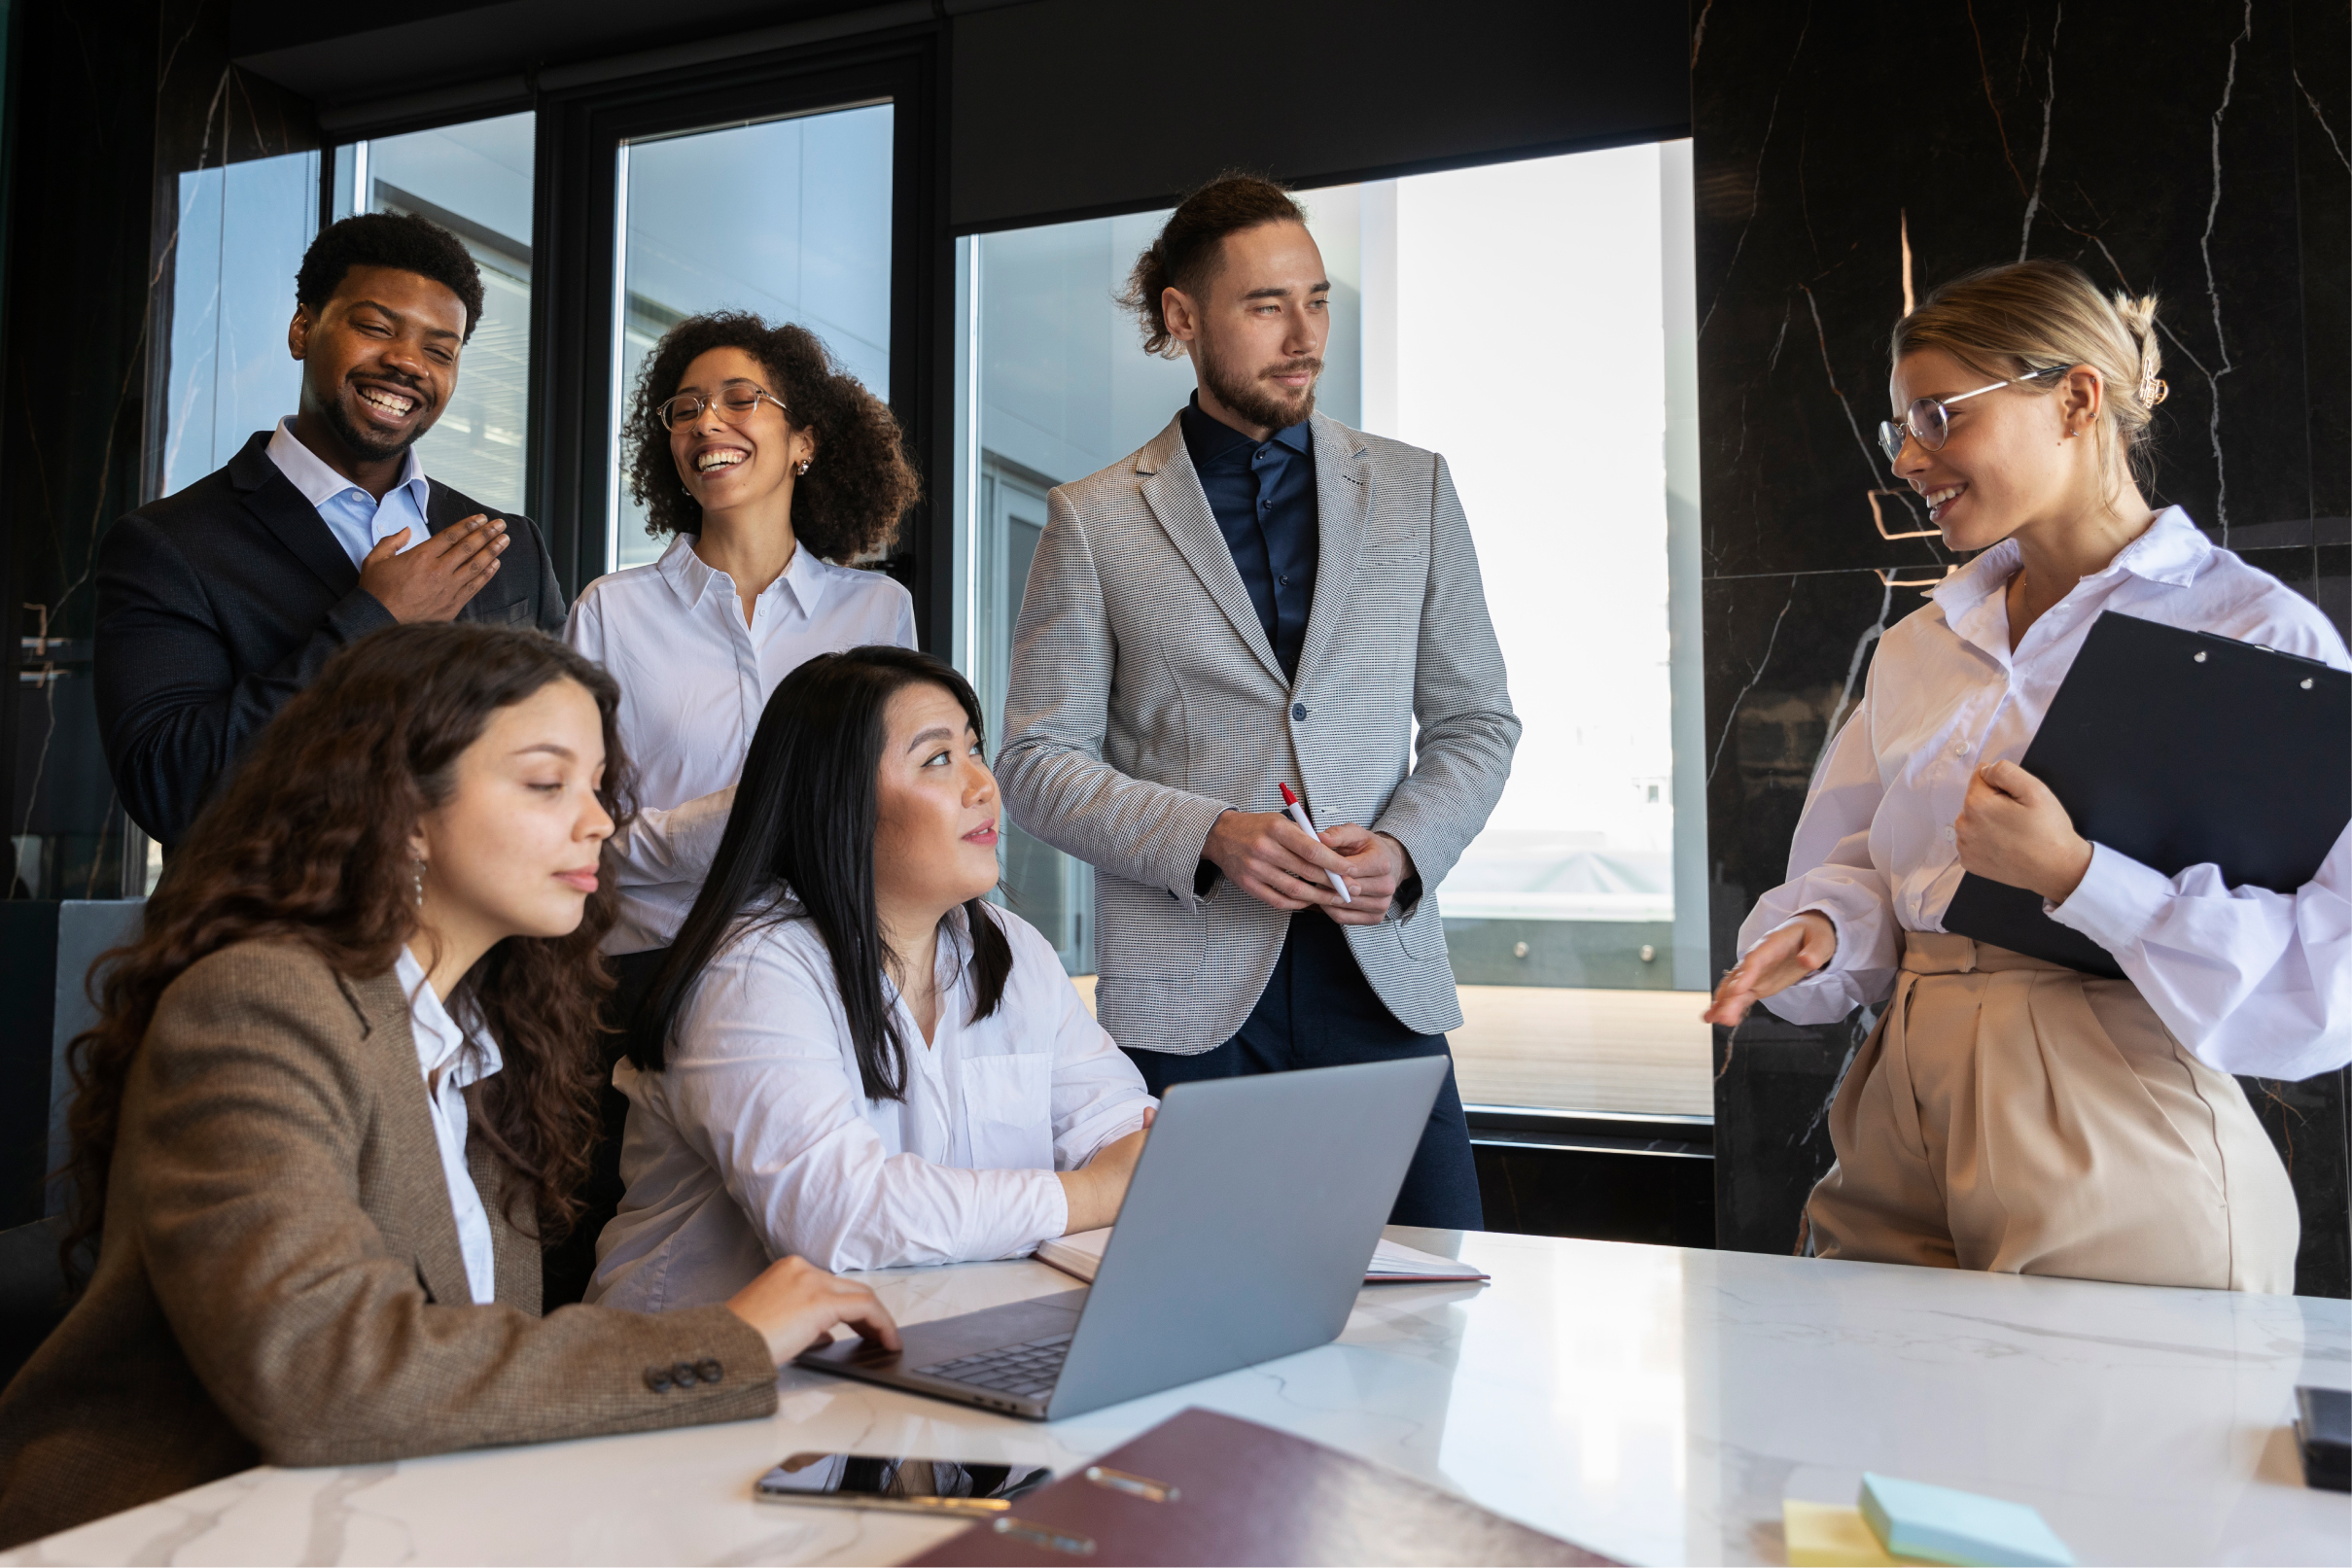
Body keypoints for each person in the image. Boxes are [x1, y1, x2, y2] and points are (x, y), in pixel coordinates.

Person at [0, 624, 897, 1548]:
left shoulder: (484, 1034)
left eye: (596, 787)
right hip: (182, 1533)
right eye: (548, 783)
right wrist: (728, 1339)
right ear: (403, 811)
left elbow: (461, 1367)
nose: (598, 821)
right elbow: (323, 1371)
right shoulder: (262, 1000)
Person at [1703, 259, 2350, 1293]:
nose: (1909, 457)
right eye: (1898, 429)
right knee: (1882, 1441)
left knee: (2106, 1449)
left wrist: (2078, 874)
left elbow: (2330, 974)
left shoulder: (2254, 631)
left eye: (1938, 416)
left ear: (2075, 398)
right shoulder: (1920, 642)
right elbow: (1874, 864)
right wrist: (1825, 927)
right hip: (1893, 1106)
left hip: (2115, 1118)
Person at [995, 175, 1520, 1231]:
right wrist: (1212, 834)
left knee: (1430, 1324)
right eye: (1265, 305)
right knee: (1189, 1306)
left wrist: (1407, 848)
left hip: (1381, 984)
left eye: (1316, 300)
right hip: (1190, 1008)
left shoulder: (1415, 488)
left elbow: (1477, 721)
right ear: (1182, 318)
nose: (1303, 334)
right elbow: (1036, 760)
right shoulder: (1092, 517)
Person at [588, 647, 1155, 1304]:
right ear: (841, 797)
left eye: (974, 750)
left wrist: (1116, 1168)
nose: (982, 785)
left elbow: (1126, 1134)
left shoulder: (1012, 949)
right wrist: (1087, 1192)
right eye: (938, 759)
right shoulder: (751, 971)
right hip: (710, 1376)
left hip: (934, 1332)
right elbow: (836, 1215)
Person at [95, 212, 567, 849]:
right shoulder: (170, 546)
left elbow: (558, 757)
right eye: (375, 328)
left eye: (439, 350)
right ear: (302, 329)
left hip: (476, 943)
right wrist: (372, 622)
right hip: (282, 942)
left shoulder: (510, 548)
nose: (406, 362)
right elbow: (171, 789)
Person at [566, 313, 922, 970]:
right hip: (652, 970)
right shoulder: (611, 612)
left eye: (739, 399)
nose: (705, 422)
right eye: (685, 408)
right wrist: (727, 823)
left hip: (828, 968)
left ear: (802, 442)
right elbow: (573, 825)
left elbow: (889, 801)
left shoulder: (876, 610)